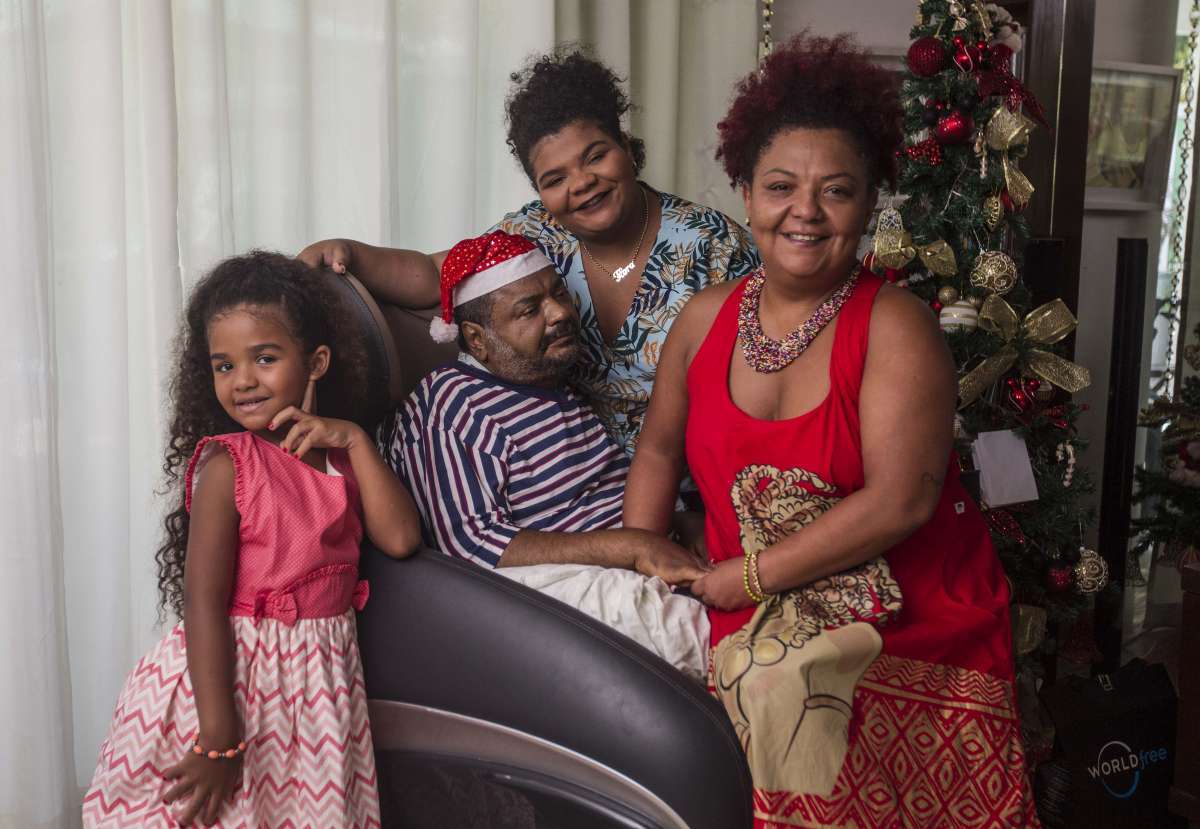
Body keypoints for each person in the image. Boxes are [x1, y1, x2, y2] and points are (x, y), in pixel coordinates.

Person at [623, 33, 1040, 828]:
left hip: (904, 607)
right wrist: (640, 562)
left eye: (836, 191)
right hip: (746, 594)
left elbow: (899, 504)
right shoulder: (703, 320)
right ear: (745, 192)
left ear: (870, 203)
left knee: (782, 687)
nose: (804, 212)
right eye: (780, 186)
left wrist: (745, 579)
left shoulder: (897, 325)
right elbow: (656, 448)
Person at [82, 252, 422, 828]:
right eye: (223, 365)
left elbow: (402, 540)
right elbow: (204, 603)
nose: (242, 381)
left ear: (315, 362)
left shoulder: (341, 457)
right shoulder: (229, 465)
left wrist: (359, 443)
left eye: (264, 358)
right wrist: (218, 735)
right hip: (234, 686)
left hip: (315, 689)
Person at [300, 48, 759, 459]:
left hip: (688, 475)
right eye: (555, 179)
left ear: (625, 146)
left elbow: (759, 384)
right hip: (563, 475)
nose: (581, 183)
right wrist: (351, 254)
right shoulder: (535, 231)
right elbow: (435, 271)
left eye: (595, 156)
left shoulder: (715, 247)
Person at [377, 231, 710, 677]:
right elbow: (472, 545)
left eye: (558, 294)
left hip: (635, 556)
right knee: (700, 634)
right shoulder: (453, 404)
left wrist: (682, 522)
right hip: (547, 591)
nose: (559, 314)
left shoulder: (550, 383)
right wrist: (628, 547)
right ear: (477, 341)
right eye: (529, 311)